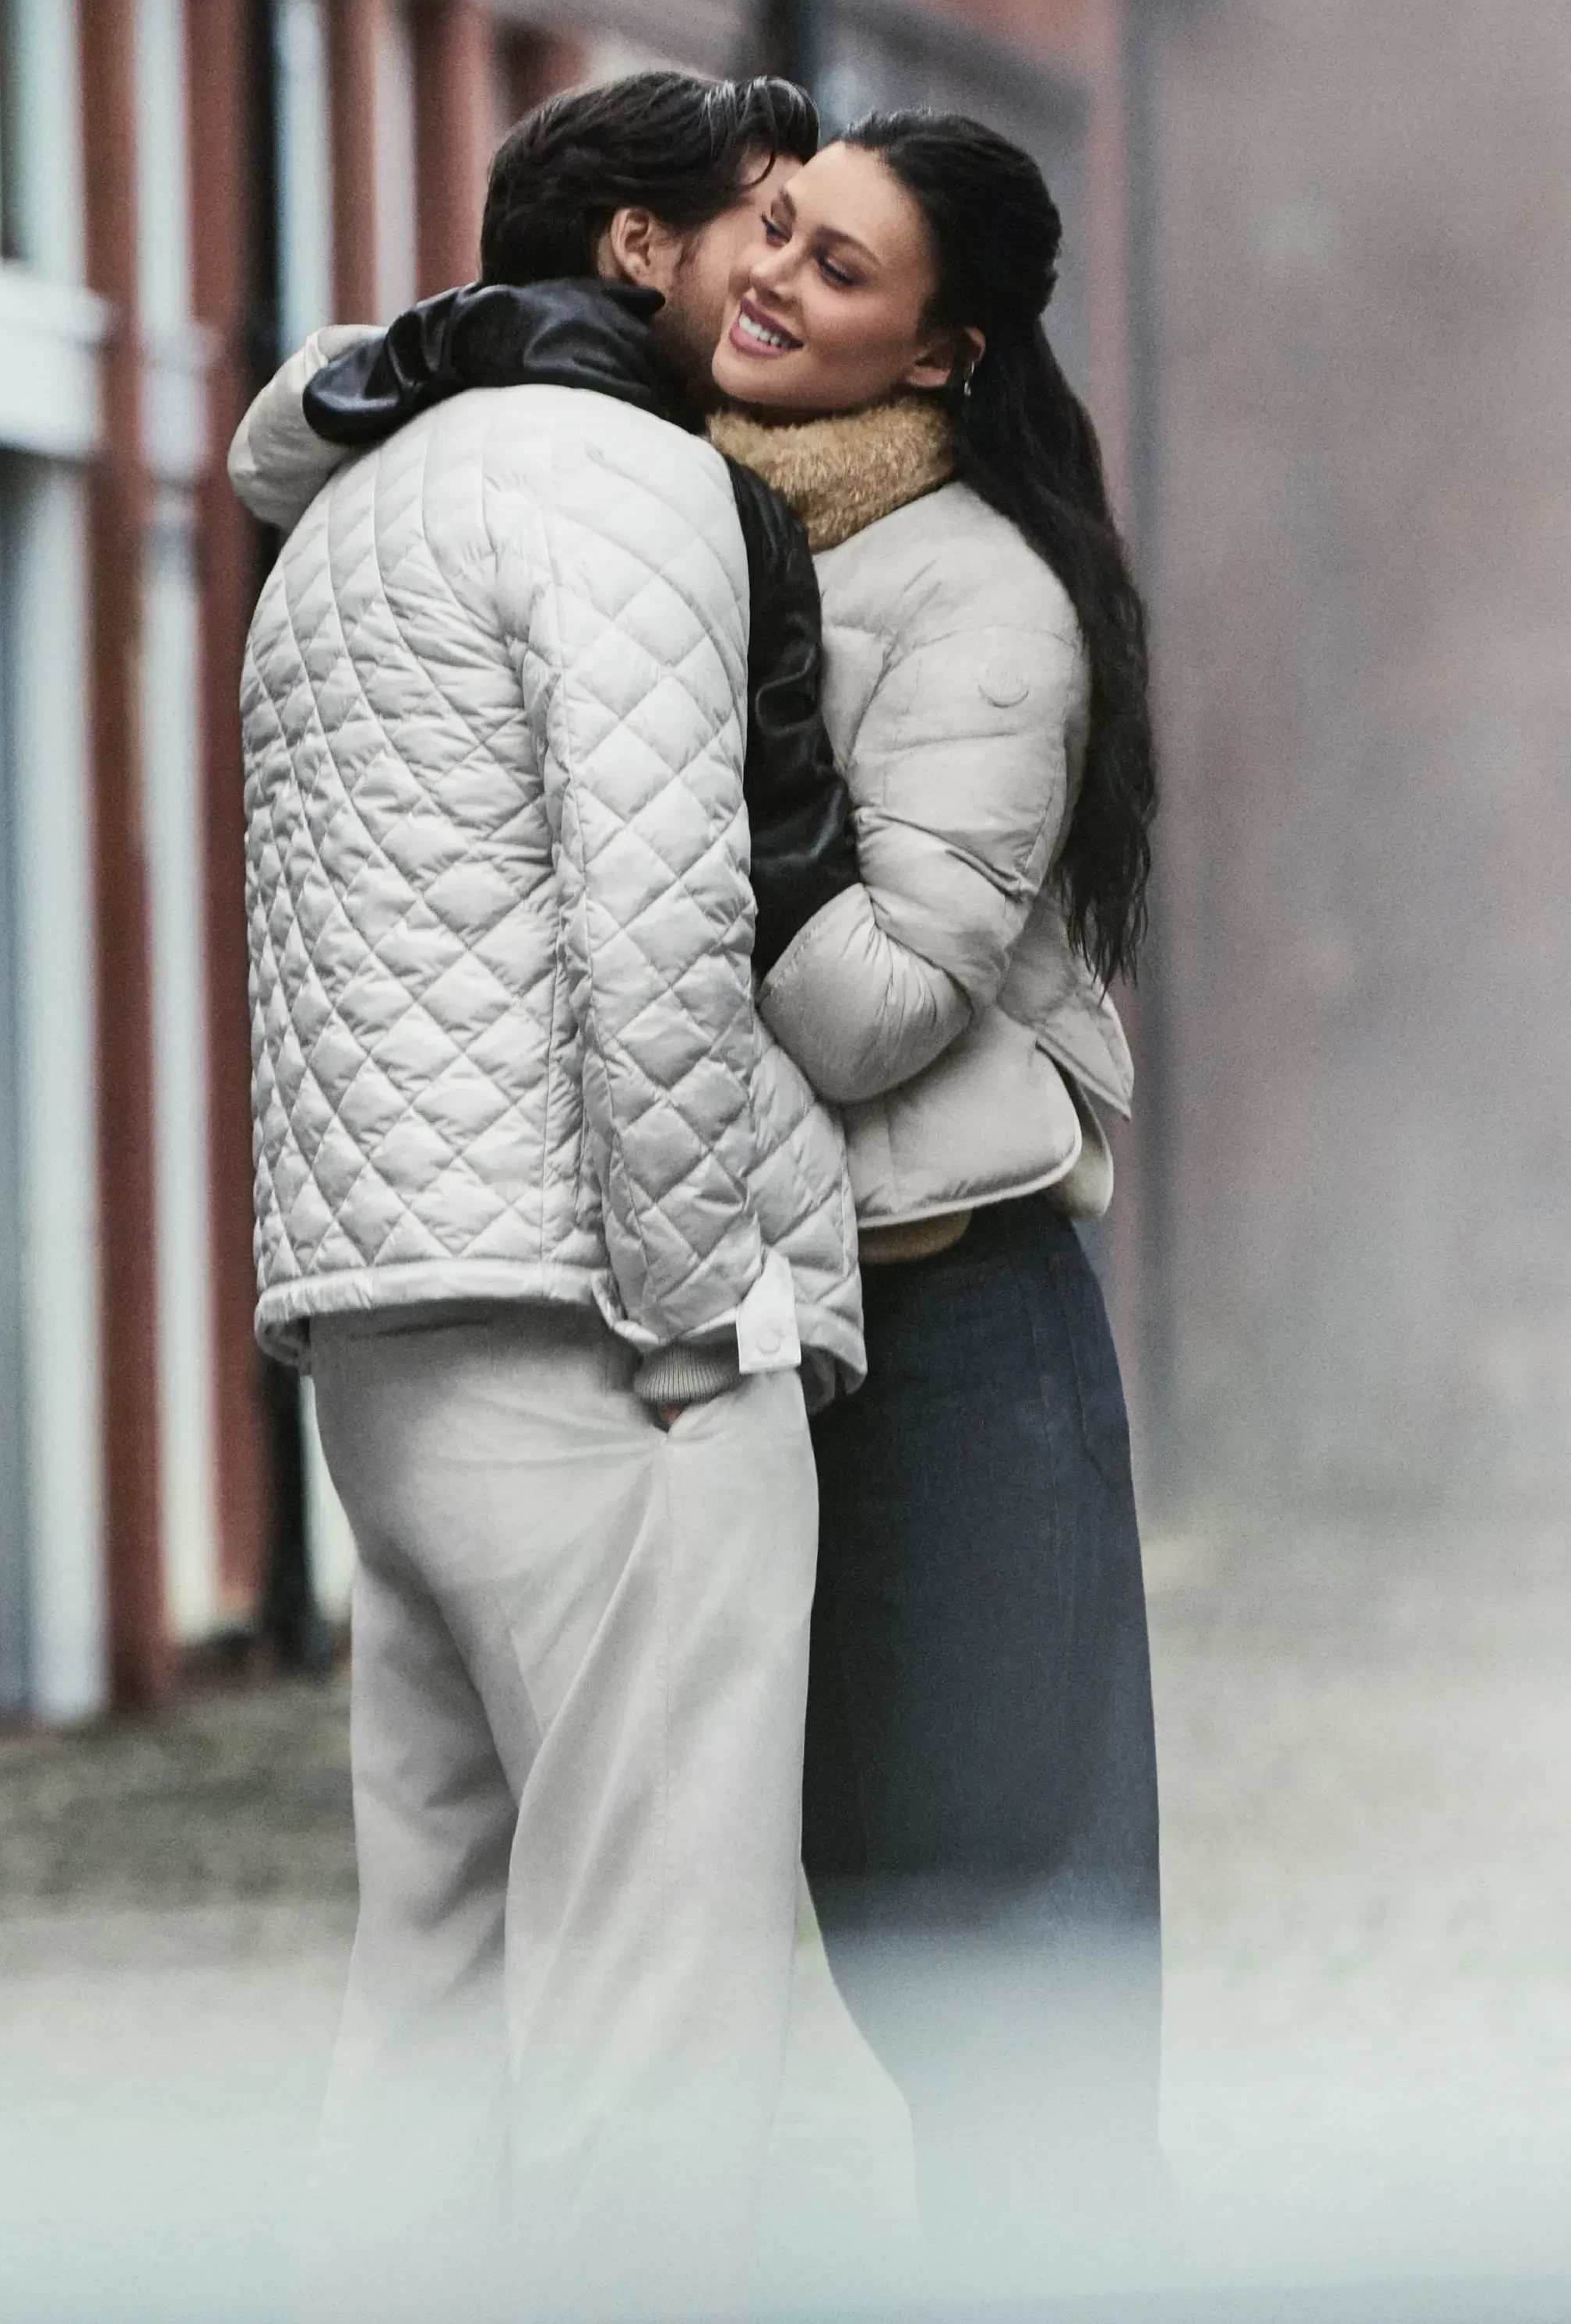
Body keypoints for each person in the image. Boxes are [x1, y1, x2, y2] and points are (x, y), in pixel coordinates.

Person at [231, 72, 863, 2318]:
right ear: (634, 246)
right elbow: (661, 927)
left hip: (386, 1338)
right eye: (756, 223)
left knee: (432, 1986)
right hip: (608, 1342)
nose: (781, 271)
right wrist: (701, 1321)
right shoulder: (627, 487)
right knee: (655, 2016)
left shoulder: (350, 518)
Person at [705, 111, 1166, 2294]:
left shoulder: (985, 600)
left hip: (963, 1334)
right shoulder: (697, 492)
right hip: (791, 1325)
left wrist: (767, 759)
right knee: (878, 1900)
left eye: (841, 269)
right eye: (778, 225)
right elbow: (276, 458)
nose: (773, 277)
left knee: (1003, 1947)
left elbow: (883, 1009)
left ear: (940, 352)